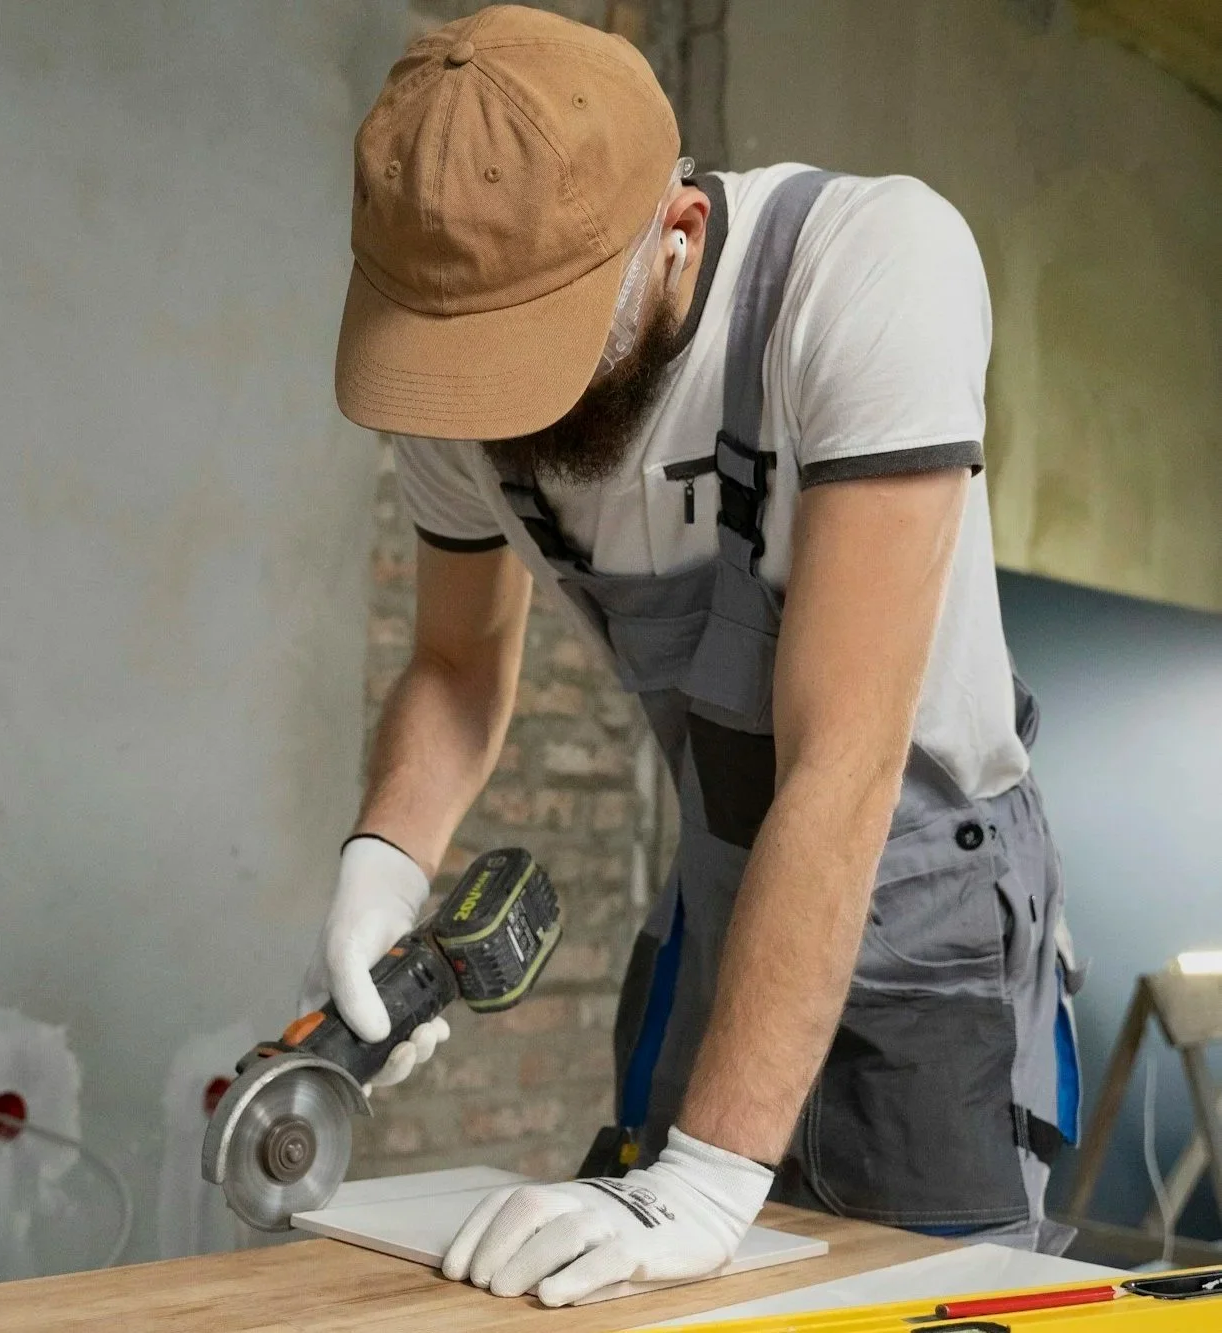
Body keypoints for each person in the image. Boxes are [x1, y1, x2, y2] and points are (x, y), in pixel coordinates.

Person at [300, 4, 1084, 1308]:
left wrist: (708, 1174)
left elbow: (845, 756)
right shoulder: (449, 362)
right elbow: (450, 665)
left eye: (530, 353)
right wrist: (383, 861)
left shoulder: (866, 268)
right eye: (462, 364)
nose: (492, 410)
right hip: (715, 877)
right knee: (641, 1292)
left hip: (920, 886)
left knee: (932, 1295)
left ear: (672, 235)